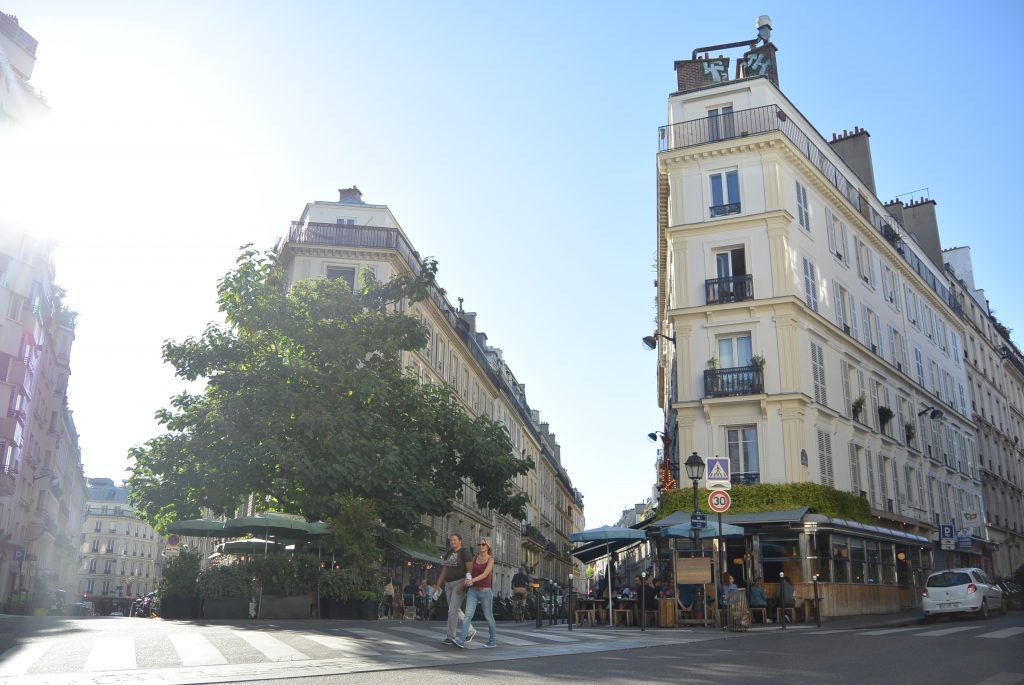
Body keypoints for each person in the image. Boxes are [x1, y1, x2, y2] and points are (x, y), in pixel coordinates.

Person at [433, 533, 477, 645]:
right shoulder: (449, 552)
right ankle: (471, 631)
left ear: (460, 541)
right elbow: (445, 569)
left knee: (452, 610)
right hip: (448, 584)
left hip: (460, 582)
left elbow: (470, 570)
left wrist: (464, 585)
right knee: (455, 610)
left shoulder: (465, 552)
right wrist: (438, 584)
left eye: (455, 540)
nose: (452, 542)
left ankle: (451, 636)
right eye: (451, 540)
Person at [454, 538, 497, 649]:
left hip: (485, 591)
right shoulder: (475, 558)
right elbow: (470, 571)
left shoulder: (490, 559)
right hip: (473, 591)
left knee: (488, 616)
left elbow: (485, 574)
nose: (481, 546)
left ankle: (492, 641)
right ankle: (462, 640)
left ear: (488, 547)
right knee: (468, 616)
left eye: (483, 545)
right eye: (480, 544)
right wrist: (467, 579)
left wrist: (472, 580)